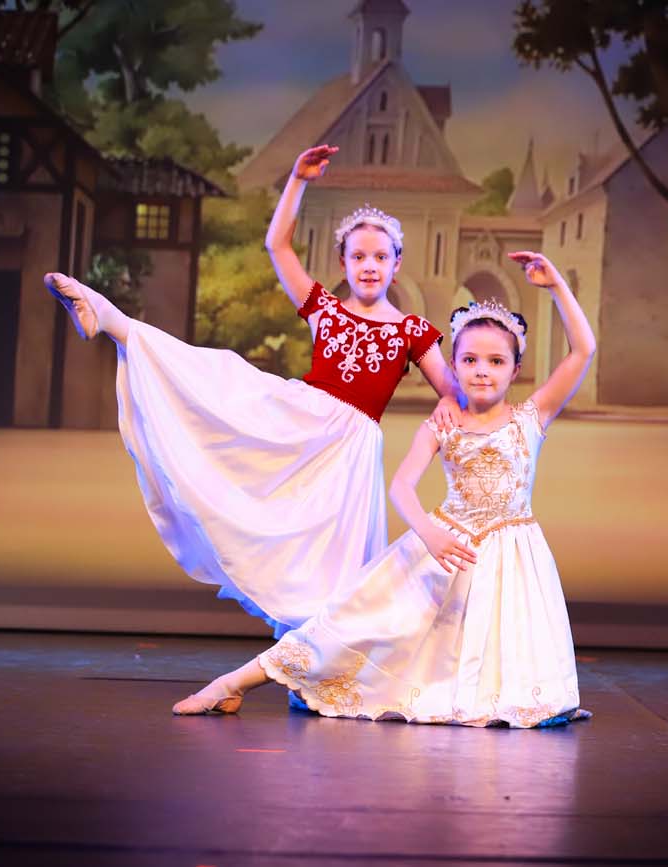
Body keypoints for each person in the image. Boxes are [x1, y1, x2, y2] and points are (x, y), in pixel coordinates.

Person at [44, 144, 463, 636]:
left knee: (332, 558)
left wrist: (447, 402)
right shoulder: (324, 308)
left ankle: (314, 652)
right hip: (304, 420)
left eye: (380, 256)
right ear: (343, 262)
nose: (369, 265)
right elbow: (278, 247)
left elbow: (451, 386)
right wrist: (298, 180)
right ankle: (110, 317)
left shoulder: (413, 330)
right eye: (358, 256)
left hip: (351, 450)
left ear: (397, 263)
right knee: (215, 379)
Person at [173, 251, 597, 728]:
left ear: (515, 370)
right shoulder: (443, 423)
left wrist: (556, 285)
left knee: (493, 652)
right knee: (354, 621)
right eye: (470, 360)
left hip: (512, 555)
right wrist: (430, 534)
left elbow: (582, 350)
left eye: (496, 361)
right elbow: (401, 486)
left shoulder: (531, 417)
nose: (482, 370)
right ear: (453, 366)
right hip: (443, 545)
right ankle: (231, 683)